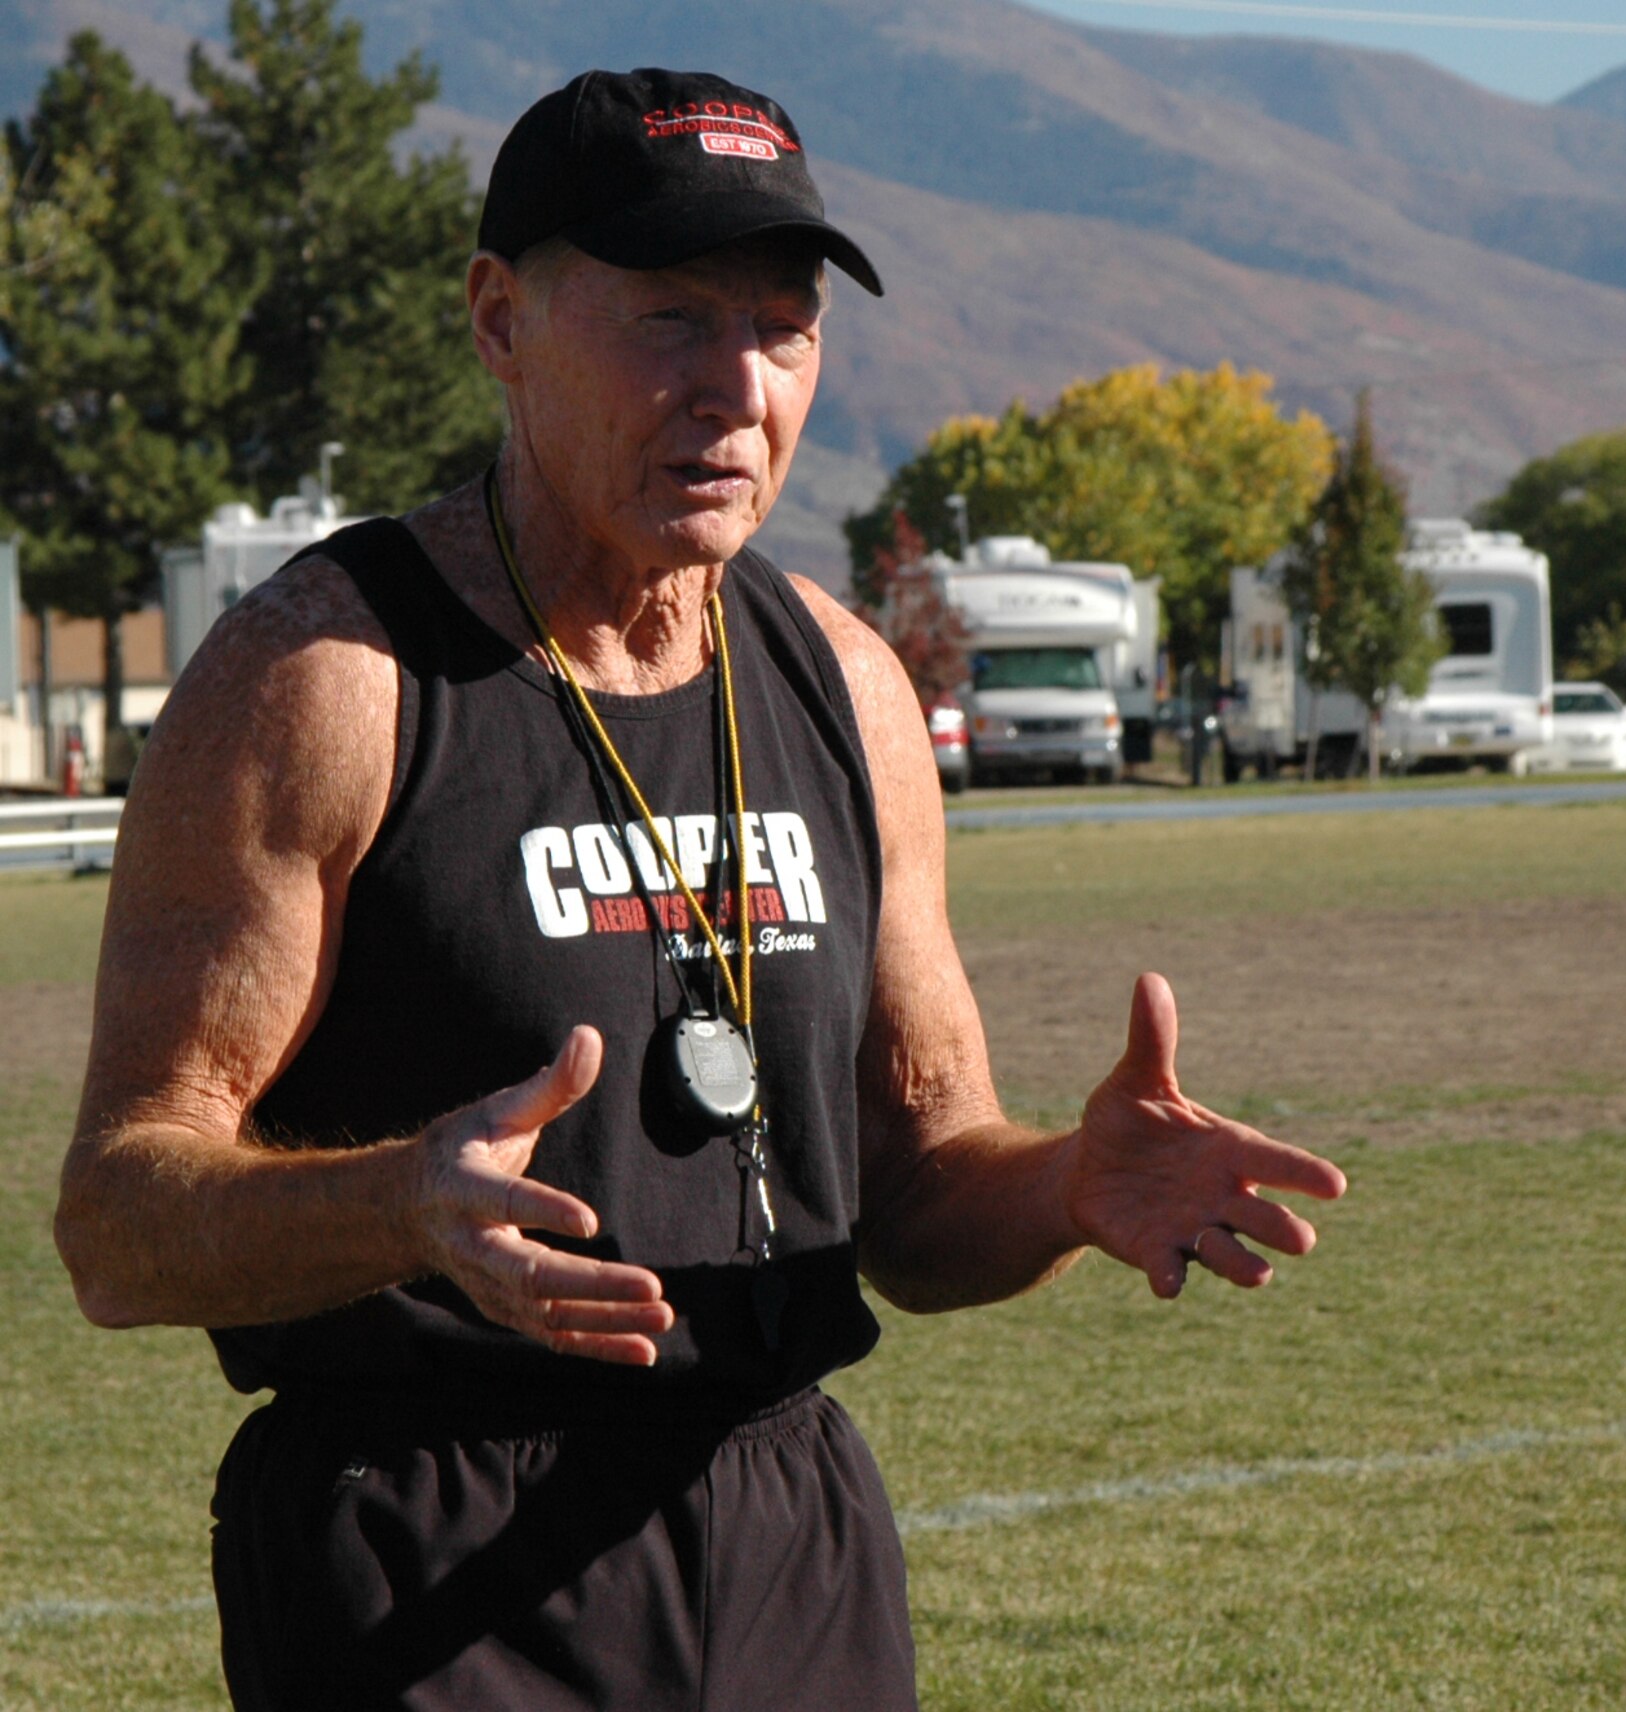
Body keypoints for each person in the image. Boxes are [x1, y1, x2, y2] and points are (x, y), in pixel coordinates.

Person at [54, 66, 1346, 1711]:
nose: (739, 388)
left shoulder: (847, 686)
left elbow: (919, 1193)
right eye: (671, 320)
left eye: (784, 328)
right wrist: (400, 1212)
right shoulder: (328, 681)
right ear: (498, 320)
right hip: (426, 1560)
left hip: (784, 1531)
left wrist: (1069, 1190)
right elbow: (118, 1223)